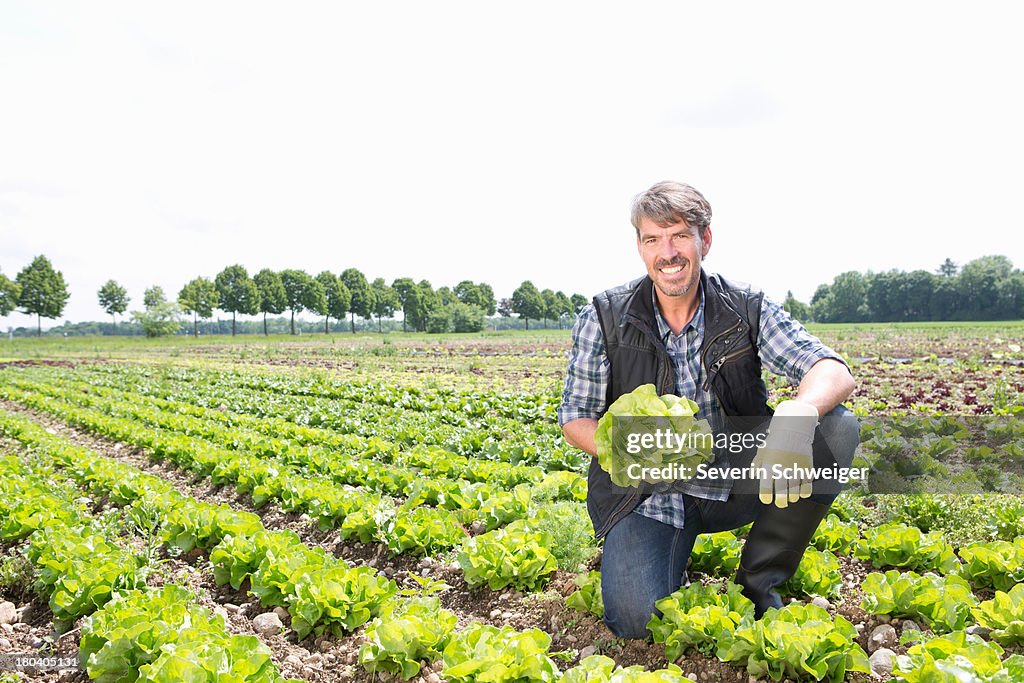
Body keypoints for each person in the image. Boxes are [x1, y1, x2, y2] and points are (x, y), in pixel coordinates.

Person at [558, 180, 859, 639]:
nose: (667, 252)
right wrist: (629, 450)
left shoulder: (745, 306)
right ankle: (664, 556)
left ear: (705, 239)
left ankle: (759, 583)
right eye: (652, 239)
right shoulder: (604, 316)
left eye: (679, 234)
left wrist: (796, 419)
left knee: (835, 430)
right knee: (638, 623)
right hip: (651, 493)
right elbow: (576, 416)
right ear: (639, 247)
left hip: (739, 472)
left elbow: (831, 370)